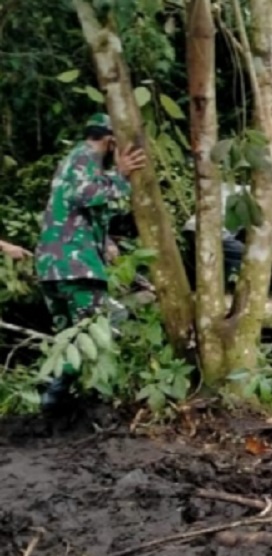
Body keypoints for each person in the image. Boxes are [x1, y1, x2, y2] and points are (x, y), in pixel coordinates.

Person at [34, 113, 146, 413]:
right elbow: (85, 195)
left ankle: (55, 400)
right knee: (99, 330)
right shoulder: (85, 158)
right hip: (75, 265)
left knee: (67, 338)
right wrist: (121, 175)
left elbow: (76, 209)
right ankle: (74, 397)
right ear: (111, 141)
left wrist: (105, 241)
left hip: (52, 266)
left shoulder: (74, 161)